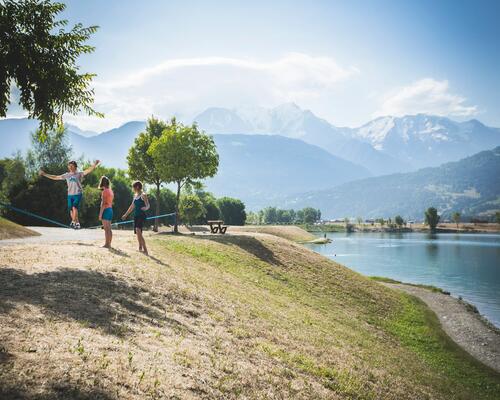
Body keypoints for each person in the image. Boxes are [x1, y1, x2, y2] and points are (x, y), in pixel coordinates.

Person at [39, 160, 100, 229]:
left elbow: (88, 170)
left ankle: (73, 221)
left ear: (75, 167)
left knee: (74, 207)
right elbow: (55, 177)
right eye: (69, 166)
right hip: (70, 195)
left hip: (78, 193)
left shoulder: (79, 173)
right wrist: (45, 174)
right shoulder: (67, 175)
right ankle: (77, 223)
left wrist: (94, 164)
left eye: (72, 166)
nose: (70, 167)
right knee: (71, 210)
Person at [122, 181, 150, 255]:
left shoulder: (143, 195)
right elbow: (132, 206)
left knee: (138, 230)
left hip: (141, 215)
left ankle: (145, 250)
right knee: (138, 233)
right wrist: (125, 215)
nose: (132, 189)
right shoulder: (135, 196)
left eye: (133, 187)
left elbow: (148, 205)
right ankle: (140, 247)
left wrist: (145, 208)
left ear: (137, 187)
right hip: (136, 216)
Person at [98, 176, 114, 248]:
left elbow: (104, 204)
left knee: (106, 229)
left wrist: (100, 214)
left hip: (106, 210)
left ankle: (107, 244)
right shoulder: (110, 191)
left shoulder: (104, 191)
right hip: (110, 210)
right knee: (109, 228)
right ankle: (109, 244)